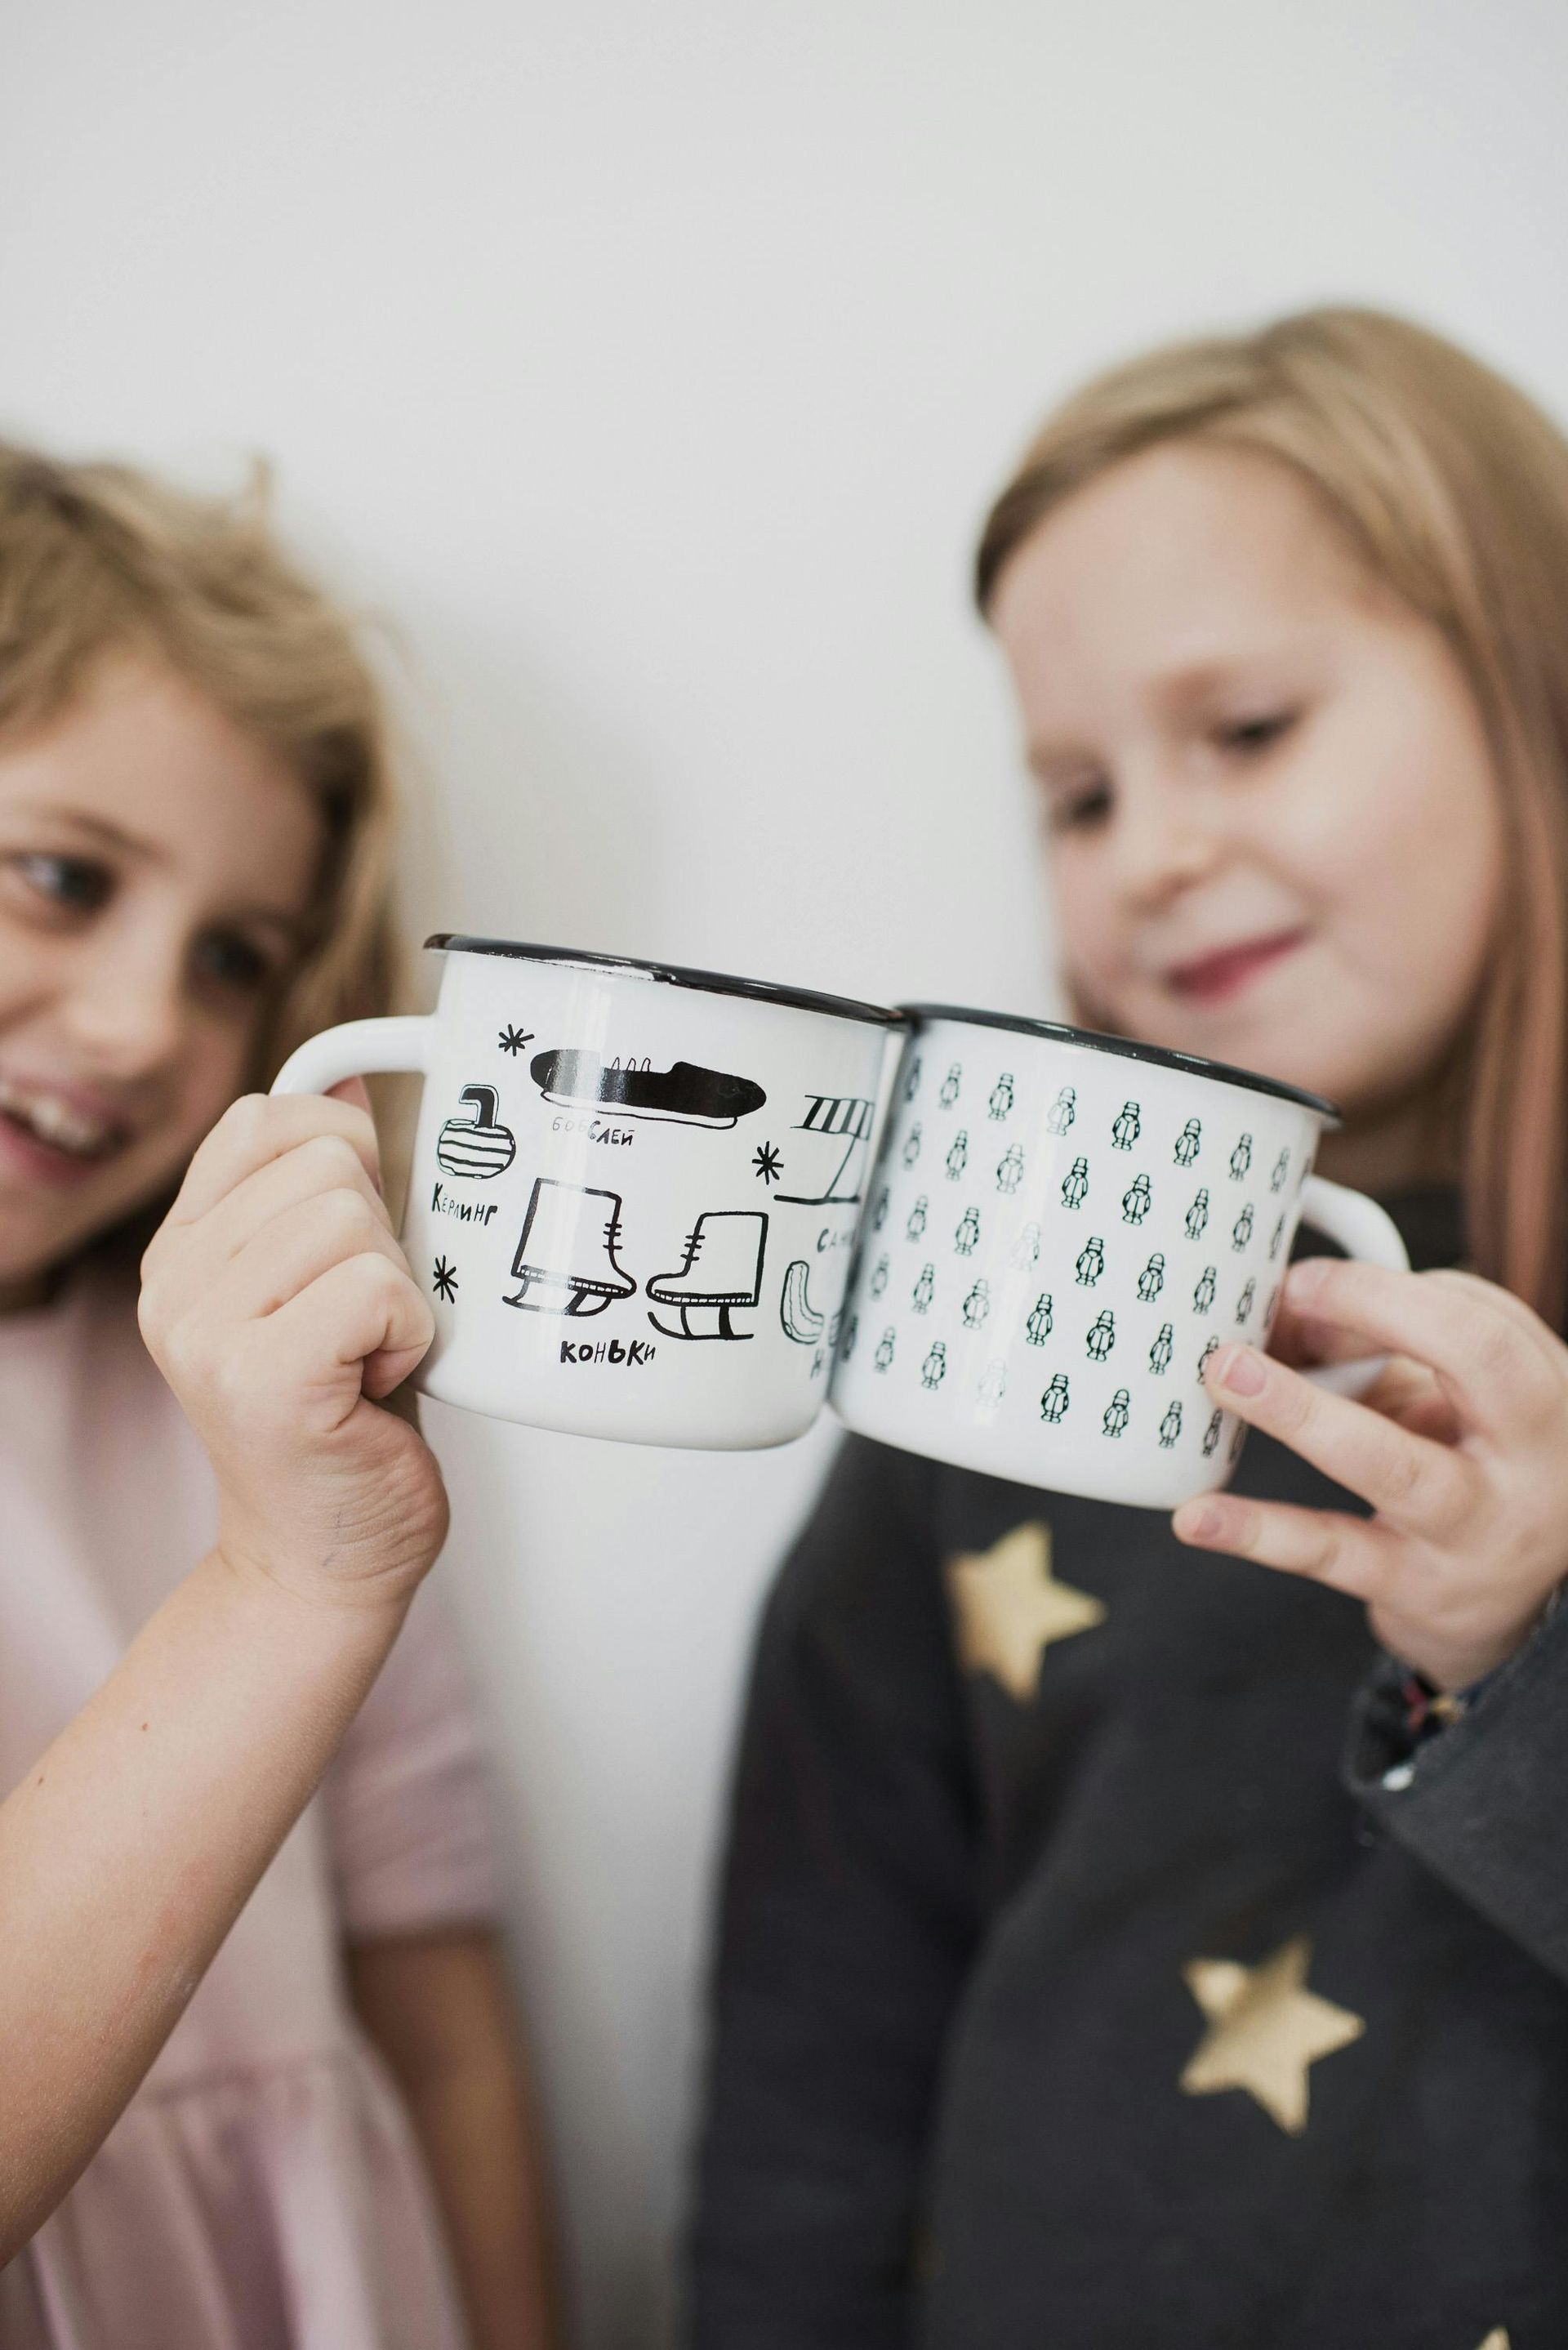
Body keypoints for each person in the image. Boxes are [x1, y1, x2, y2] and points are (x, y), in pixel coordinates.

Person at [688, 309, 1568, 2347]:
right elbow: (815, 2050)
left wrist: (1520, 1653)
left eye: (1247, 730)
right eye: (1076, 795)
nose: (1153, 852)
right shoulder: (979, 1363)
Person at [0, 446, 558, 2348]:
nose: (149, 1021)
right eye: (62, 878)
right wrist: (280, 1584)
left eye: (234, 954)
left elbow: (437, 2000)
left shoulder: (262, 1390)